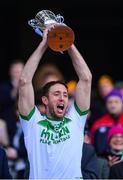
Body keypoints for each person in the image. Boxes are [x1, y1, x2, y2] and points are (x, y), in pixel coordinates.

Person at [18, 25, 92, 179]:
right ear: (45, 100)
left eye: (65, 95)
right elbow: (24, 81)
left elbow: (86, 78)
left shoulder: (76, 120)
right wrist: (44, 43)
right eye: (57, 94)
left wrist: (67, 42)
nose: (62, 98)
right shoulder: (32, 123)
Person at [90, 89, 123, 155]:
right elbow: (91, 145)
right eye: (110, 102)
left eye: (116, 102)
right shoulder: (98, 124)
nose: (113, 105)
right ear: (106, 104)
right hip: (103, 161)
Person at [0, 59, 24, 144]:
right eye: (15, 71)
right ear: (10, 72)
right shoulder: (3, 87)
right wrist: (16, 87)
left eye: (20, 71)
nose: (18, 74)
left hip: (22, 123)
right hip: (8, 123)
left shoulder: (28, 87)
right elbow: (4, 102)